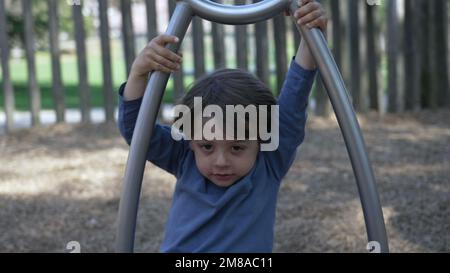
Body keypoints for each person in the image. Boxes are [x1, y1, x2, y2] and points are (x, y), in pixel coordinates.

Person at [118, 0, 327, 252]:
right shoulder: (185, 158)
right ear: (191, 139)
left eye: (237, 147)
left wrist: (309, 32)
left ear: (264, 138)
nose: (220, 161)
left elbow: (295, 97)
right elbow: (136, 131)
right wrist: (139, 73)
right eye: (206, 146)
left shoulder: (269, 161)